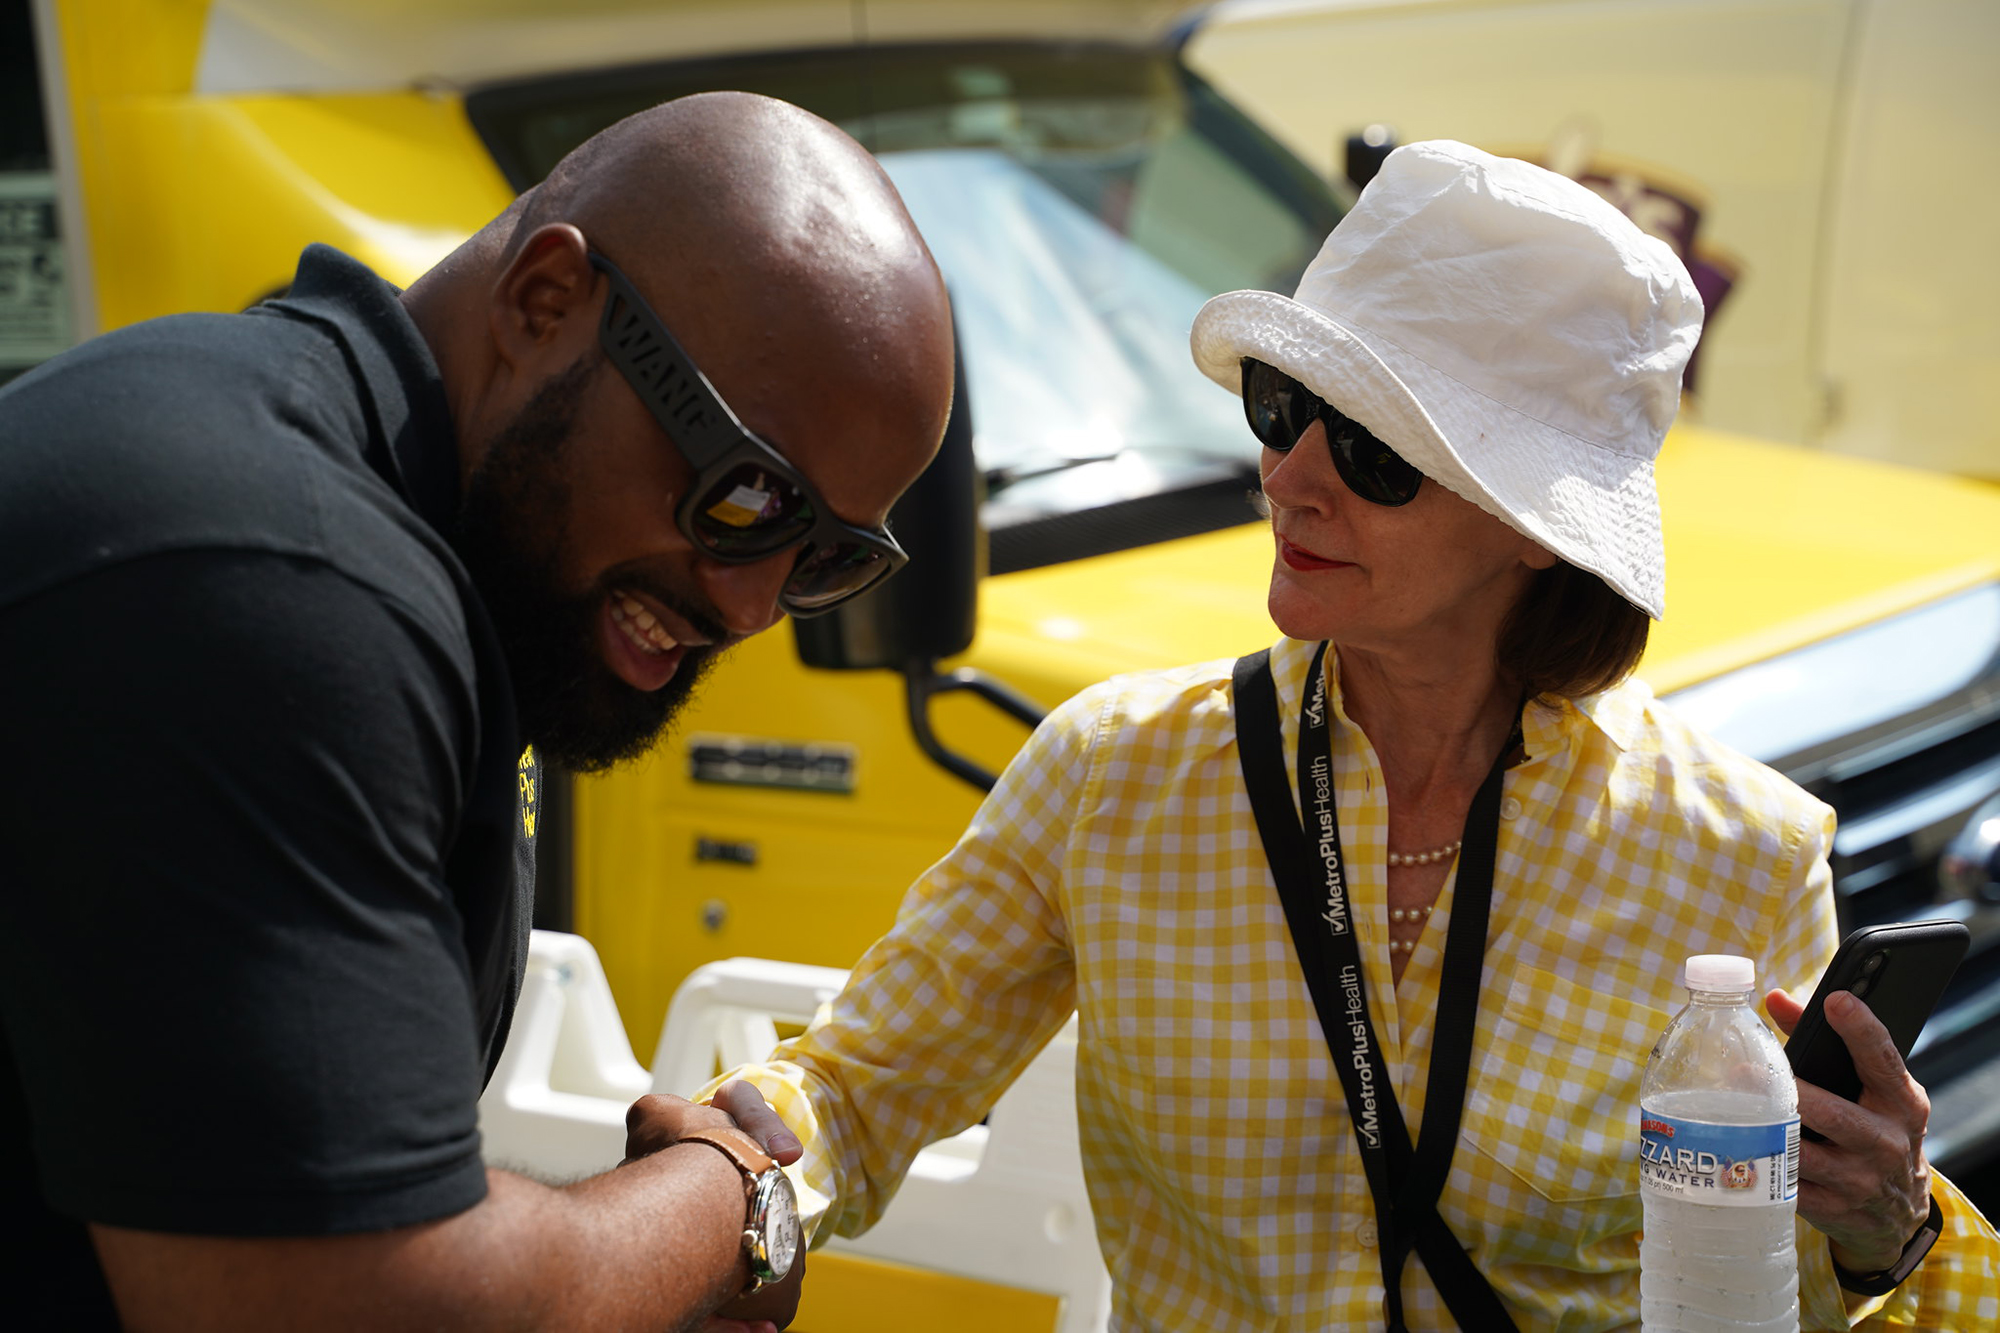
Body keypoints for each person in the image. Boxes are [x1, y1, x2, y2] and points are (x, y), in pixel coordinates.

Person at [699, 141, 2000, 1329]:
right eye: (1282, 404)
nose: (1292, 473)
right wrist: (727, 1165)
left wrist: (1889, 1234)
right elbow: (853, 1099)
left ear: (1535, 527)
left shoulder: (1740, 857)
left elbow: (1796, 1295)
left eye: (1375, 448)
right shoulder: (1111, 775)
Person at [0, 91, 954, 1330]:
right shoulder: (275, 573)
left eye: (828, 557)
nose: (755, 600)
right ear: (543, 303)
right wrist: (727, 1204)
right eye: (746, 494)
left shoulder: (424, 548)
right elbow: (352, 1303)